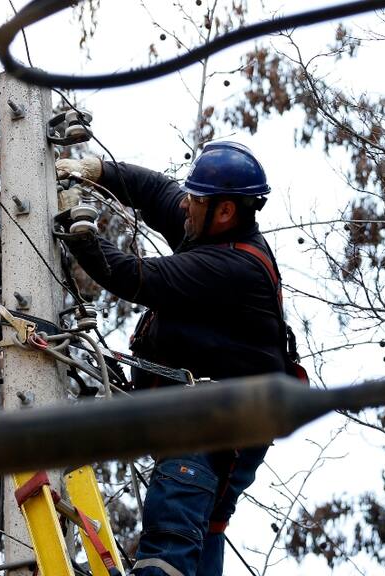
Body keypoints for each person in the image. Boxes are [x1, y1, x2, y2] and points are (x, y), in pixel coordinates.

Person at [55, 141, 289, 576]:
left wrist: (79, 232)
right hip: (219, 421)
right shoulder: (208, 224)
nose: (186, 206)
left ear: (225, 212)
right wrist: (101, 171)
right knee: (205, 529)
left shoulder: (234, 268)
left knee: (174, 524)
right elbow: (156, 192)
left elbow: (137, 276)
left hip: (214, 427)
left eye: (196, 200)